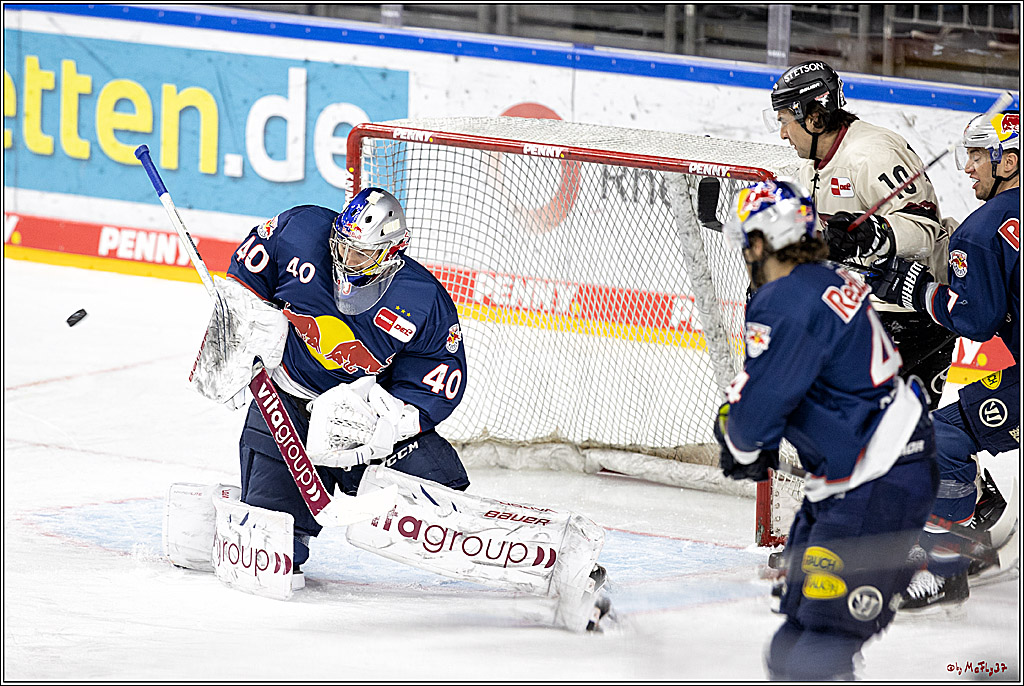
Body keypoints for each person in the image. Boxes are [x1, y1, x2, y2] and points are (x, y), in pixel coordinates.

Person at [183, 187, 611, 632]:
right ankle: (229, 516)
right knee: (268, 559)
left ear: (392, 251)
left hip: (365, 428)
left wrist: (391, 421)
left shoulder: (420, 299)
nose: (348, 260)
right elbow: (243, 285)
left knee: (442, 515)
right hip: (286, 408)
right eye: (343, 246)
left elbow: (441, 376)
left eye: (362, 254)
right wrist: (245, 329)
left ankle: (564, 572)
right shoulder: (300, 231)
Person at [713, 179, 938, 680]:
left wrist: (739, 437)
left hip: (877, 480)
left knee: (817, 650)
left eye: (745, 245)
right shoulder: (824, 279)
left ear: (759, 243)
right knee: (792, 646)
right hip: (858, 477)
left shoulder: (786, 299)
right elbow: (784, 386)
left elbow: (759, 413)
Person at [867, 109, 1019, 609]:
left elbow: (976, 320)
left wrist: (918, 290)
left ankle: (945, 569)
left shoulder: (982, 230)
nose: (967, 166)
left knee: (942, 438)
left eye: (978, 155)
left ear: (1009, 160)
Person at [764, 59, 957, 409]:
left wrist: (871, 233)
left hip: (914, 315)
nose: (781, 133)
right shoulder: (811, 165)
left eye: (785, 121)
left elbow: (925, 230)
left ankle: (953, 465)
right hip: (866, 311)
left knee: (897, 432)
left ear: (814, 117)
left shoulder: (873, 154)